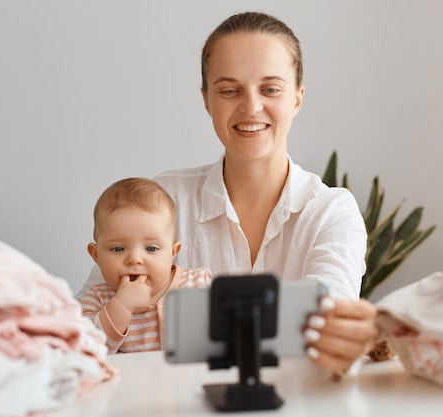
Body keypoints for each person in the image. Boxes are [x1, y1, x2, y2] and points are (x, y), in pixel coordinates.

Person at [79, 11, 377, 373]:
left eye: (270, 89)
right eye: (229, 90)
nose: (251, 106)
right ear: (207, 100)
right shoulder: (164, 199)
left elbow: (327, 318)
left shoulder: (332, 212)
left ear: (297, 98)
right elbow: (83, 331)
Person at [79, 177, 212, 354]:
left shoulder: (199, 285)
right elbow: (80, 351)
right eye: (118, 248)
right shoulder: (97, 299)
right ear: (96, 255)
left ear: (173, 252)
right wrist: (121, 307)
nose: (134, 259)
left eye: (151, 248)